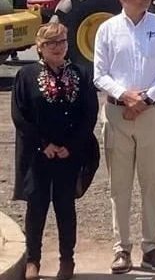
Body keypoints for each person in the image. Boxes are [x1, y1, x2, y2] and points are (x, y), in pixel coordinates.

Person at [93, 0, 155, 274]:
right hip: (118, 113)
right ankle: (121, 249)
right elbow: (100, 74)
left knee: (151, 182)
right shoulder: (107, 29)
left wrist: (144, 99)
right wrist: (124, 95)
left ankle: (151, 247)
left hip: (154, 112)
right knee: (119, 186)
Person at [12, 23, 99, 280]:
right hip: (38, 153)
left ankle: (67, 260)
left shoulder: (81, 74)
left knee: (65, 207)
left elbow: (89, 114)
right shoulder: (26, 76)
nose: (58, 47)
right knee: (36, 207)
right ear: (40, 47)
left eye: (62, 42)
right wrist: (44, 144)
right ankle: (33, 260)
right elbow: (20, 115)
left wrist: (70, 146)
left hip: (69, 154)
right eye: (52, 43)